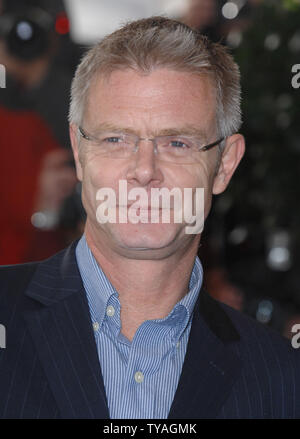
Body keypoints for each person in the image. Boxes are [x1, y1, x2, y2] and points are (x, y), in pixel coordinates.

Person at [0, 16, 299, 419]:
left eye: (177, 142)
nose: (144, 170)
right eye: (115, 139)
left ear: (225, 164)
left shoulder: (282, 378)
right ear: (79, 151)